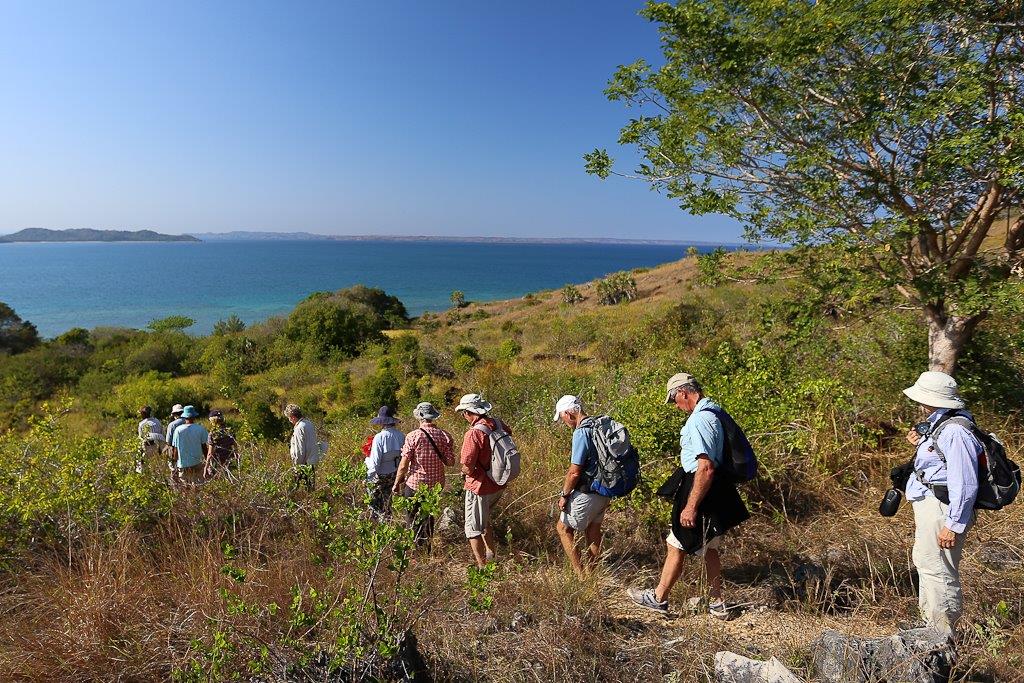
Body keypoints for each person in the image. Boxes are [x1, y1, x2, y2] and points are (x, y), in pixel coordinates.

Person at [627, 373, 749, 618]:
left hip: (700, 486)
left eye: (674, 400)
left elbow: (705, 466)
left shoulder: (699, 420)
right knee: (707, 547)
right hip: (712, 488)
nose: (676, 406)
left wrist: (691, 505)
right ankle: (717, 603)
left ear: (683, 393)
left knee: (676, 543)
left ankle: (659, 597)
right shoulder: (714, 412)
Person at [903, 370, 982, 635]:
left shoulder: (954, 431)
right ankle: (929, 628)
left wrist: (953, 524)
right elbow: (939, 465)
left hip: (942, 508)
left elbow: (965, 481)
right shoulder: (941, 423)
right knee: (927, 563)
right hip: (934, 505)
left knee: (938, 569)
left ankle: (942, 635)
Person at [553, 395, 611, 578]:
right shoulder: (599, 424)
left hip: (588, 491)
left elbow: (574, 472)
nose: (564, 422)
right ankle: (592, 574)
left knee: (563, 528)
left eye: (562, 417)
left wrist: (564, 494)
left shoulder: (581, 432)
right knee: (593, 530)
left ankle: (581, 576)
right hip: (605, 489)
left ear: (569, 413)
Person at [455, 393, 509, 568]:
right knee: (485, 522)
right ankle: (491, 555)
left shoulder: (473, 434)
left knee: (473, 529)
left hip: (479, 486)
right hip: (498, 483)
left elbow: (468, 465)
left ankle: (483, 567)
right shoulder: (498, 424)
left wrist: (463, 472)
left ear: (468, 413)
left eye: (464, 412)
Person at [392, 402, 455, 549]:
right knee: (428, 516)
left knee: (412, 516)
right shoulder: (444, 436)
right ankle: (427, 547)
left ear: (420, 417)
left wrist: (396, 483)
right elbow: (450, 462)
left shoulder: (413, 436)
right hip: (436, 484)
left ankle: (415, 548)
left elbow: (403, 464)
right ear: (432, 416)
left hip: (415, 483)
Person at [366, 406, 405, 519]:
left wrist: (368, 478)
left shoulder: (379, 437)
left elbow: (375, 462)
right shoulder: (401, 435)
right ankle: (388, 521)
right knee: (388, 501)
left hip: (380, 475)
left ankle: (379, 524)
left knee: (375, 503)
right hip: (394, 473)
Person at [169, 405, 210, 486]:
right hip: (197, 462)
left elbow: (175, 449)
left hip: (183, 464)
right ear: (194, 417)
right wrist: (207, 462)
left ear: (184, 417)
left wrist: (174, 463)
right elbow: (204, 447)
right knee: (198, 486)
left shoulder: (178, 430)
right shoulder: (200, 429)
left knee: (185, 487)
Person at [286, 404, 320, 490]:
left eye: (289, 418)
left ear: (293, 417)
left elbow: (299, 451)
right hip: (312, 462)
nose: (289, 421)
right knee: (310, 489)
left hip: (303, 464)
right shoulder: (309, 423)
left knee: (295, 491)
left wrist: (297, 468)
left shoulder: (299, 428)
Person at [205, 409, 239, 479]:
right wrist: (237, 459)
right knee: (230, 479)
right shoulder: (230, 431)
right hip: (229, 460)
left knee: (219, 481)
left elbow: (210, 453)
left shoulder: (213, 434)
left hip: (217, 463)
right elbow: (235, 447)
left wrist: (206, 467)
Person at [136, 405, 164, 474]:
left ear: (143, 414)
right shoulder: (157, 421)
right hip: (157, 447)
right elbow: (162, 434)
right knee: (156, 466)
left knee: (142, 464)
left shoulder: (142, 424)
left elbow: (140, 438)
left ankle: (142, 473)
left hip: (146, 447)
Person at [164, 404, 186, 472]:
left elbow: (168, 442)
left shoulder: (172, 425)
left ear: (174, 414)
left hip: (176, 451)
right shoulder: (188, 421)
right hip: (189, 450)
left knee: (175, 471)